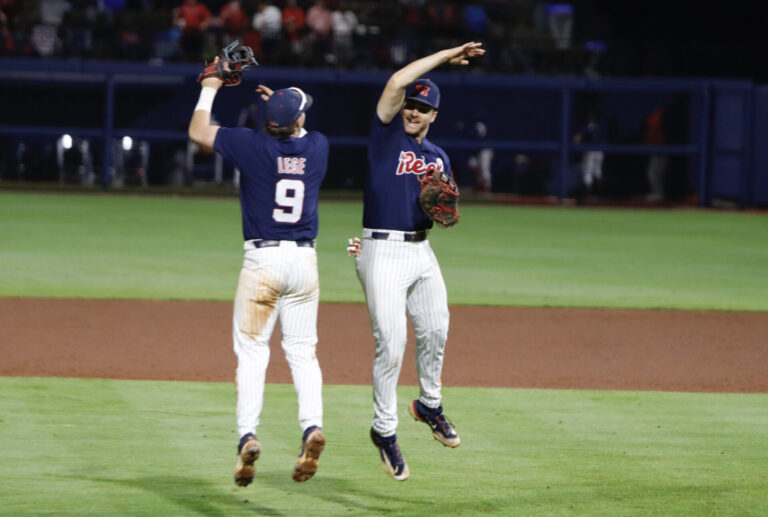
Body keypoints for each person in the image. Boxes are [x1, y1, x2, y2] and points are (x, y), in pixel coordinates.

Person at [188, 59, 329, 486]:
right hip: (304, 264)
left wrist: (211, 86)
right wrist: (282, 110)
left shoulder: (250, 145)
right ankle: (311, 427)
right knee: (302, 351)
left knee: (252, 353)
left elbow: (198, 132)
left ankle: (248, 435)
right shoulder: (319, 145)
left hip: (263, 263)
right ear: (300, 120)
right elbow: (296, 127)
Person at [351, 41, 485, 482]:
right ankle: (384, 431)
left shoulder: (439, 157)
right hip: (383, 250)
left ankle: (429, 404)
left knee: (437, 328)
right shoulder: (385, 132)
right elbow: (394, 81)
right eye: (411, 104)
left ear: (433, 116)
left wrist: (445, 209)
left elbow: (443, 207)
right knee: (391, 343)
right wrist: (447, 56)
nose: (413, 111)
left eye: (422, 108)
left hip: (421, 251)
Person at [572, 111, 604, 197]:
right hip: (600, 152)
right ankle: (600, 193)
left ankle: (588, 194)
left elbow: (577, 138)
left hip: (590, 152)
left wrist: (577, 145)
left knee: (588, 172)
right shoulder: (600, 128)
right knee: (598, 172)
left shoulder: (586, 128)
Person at [644, 106, 668, 202]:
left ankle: (659, 194)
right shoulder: (654, 120)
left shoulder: (660, 121)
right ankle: (657, 193)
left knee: (654, 174)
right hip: (656, 150)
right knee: (652, 173)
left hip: (663, 150)